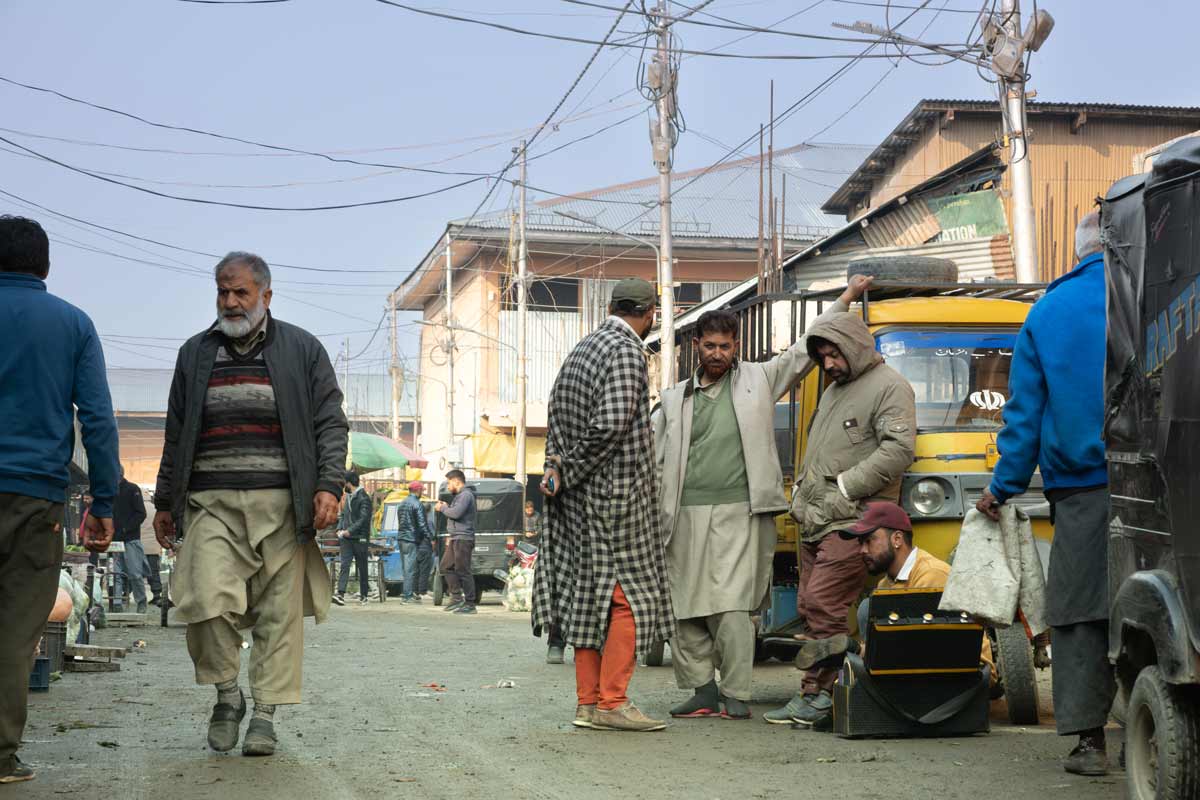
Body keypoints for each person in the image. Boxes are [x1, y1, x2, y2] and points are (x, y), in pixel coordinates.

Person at [152, 251, 347, 758]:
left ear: (266, 295)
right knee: (203, 601)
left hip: (284, 506)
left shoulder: (303, 349)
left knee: (278, 615)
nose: (231, 302)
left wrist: (329, 483)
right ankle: (226, 695)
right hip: (211, 503)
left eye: (241, 292)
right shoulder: (194, 353)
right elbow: (176, 433)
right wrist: (165, 499)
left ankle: (264, 716)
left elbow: (331, 422)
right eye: (223, 291)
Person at [654, 277, 872, 721]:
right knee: (683, 607)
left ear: (736, 346)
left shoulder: (760, 379)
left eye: (726, 345)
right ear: (697, 344)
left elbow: (803, 347)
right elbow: (654, 459)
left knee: (732, 606)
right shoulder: (673, 399)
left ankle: (735, 693)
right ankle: (701, 691)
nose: (718, 353)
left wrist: (845, 299)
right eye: (710, 345)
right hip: (681, 515)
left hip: (742, 512)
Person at [976, 211, 1114, 777]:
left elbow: (1024, 416)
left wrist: (1002, 486)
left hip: (1084, 490)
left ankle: (1090, 744)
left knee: (1081, 612)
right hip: (1171, 484)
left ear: (1079, 251)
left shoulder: (1050, 311)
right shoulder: (1165, 295)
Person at [0, 215, 119, 784]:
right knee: (18, 626)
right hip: (35, 496)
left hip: (32, 489)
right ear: (45, 267)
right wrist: (105, 501)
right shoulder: (73, 324)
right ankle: (0, 755)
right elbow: (96, 418)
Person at [765, 293, 917, 728]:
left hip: (854, 521)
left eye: (834, 353)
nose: (828, 363)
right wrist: (801, 501)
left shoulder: (890, 386)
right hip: (816, 518)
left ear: (854, 346)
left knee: (823, 602)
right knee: (815, 609)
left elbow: (899, 450)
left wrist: (848, 487)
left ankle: (827, 692)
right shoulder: (835, 389)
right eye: (822, 355)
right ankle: (817, 693)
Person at [533, 277, 675, 733]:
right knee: (628, 596)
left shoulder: (583, 349)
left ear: (612, 305)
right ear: (650, 313)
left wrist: (558, 469)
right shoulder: (627, 350)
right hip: (616, 495)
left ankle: (587, 704)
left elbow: (557, 417)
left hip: (578, 497)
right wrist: (571, 468)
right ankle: (613, 702)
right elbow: (611, 425)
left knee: (587, 595)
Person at [793, 502, 993, 681]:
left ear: (897, 539)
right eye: (860, 543)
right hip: (925, 673)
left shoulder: (931, 575)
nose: (862, 550)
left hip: (967, 677)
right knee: (868, 611)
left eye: (868, 540)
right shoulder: (885, 584)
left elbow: (930, 649)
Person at [436, 470, 478, 614]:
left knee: (463, 570)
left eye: (449, 483)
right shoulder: (460, 496)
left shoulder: (466, 495)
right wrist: (447, 506)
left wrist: (442, 507)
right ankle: (456, 598)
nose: (448, 486)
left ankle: (470, 604)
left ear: (456, 481)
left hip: (463, 538)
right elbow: (454, 511)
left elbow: (456, 513)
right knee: (446, 566)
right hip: (455, 538)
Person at [333, 471, 373, 606]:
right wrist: (339, 528)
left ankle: (364, 595)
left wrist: (350, 530)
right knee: (344, 565)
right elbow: (344, 515)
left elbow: (363, 519)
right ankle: (340, 593)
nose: (344, 485)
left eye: (345, 483)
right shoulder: (349, 497)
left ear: (349, 483)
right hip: (346, 538)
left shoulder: (364, 498)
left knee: (362, 566)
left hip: (359, 538)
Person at [112, 470, 148, 613]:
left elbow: (141, 513)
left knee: (134, 573)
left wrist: (126, 528)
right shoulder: (110, 490)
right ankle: (116, 602)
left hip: (130, 539)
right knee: (115, 573)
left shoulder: (133, 489)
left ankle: (141, 601)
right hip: (115, 540)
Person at [397, 480, 431, 603]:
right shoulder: (417, 504)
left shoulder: (402, 503)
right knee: (410, 568)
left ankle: (407, 593)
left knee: (406, 568)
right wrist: (430, 537)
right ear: (418, 490)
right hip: (411, 539)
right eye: (422, 490)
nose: (422, 492)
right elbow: (422, 524)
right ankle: (407, 596)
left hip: (401, 538)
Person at [140, 490, 165, 606]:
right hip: (154, 546)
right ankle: (156, 595)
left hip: (139, 546)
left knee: (134, 571)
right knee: (153, 571)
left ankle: (127, 594)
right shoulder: (156, 509)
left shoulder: (137, 507)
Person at [413, 501, 436, 598]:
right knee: (424, 571)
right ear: (430, 510)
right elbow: (432, 537)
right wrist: (434, 548)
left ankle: (415, 591)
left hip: (417, 547)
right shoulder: (428, 521)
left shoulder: (416, 521)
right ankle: (423, 592)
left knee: (417, 570)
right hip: (426, 548)